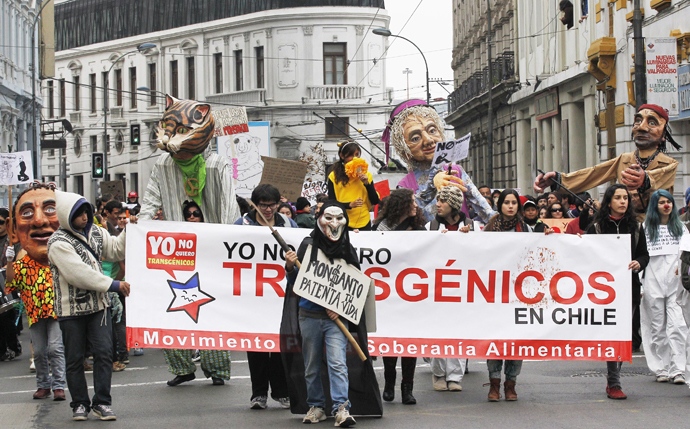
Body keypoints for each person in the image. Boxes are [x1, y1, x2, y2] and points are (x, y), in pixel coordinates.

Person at [281, 201, 381, 425]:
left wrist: (340, 308)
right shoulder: (307, 246)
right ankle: (316, 406)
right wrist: (289, 268)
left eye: (339, 218)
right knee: (312, 364)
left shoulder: (347, 248)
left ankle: (341, 408)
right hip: (309, 316)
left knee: (338, 363)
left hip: (336, 319)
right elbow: (297, 282)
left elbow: (355, 287)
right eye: (329, 218)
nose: (334, 224)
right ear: (319, 218)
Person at [47, 190, 129, 421]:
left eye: (87, 212)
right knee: (74, 359)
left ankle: (102, 402)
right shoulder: (57, 242)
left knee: (104, 354)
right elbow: (77, 274)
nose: (85, 217)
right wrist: (112, 284)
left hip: (99, 307)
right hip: (70, 310)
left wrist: (128, 229)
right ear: (66, 215)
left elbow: (116, 250)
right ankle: (79, 404)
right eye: (79, 214)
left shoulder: (97, 232)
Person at [535, 104, 680, 218]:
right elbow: (594, 174)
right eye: (638, 121)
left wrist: (645, 180)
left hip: (658, 230)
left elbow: (660, 177)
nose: (641, 127)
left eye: (652, 123)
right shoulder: (624, 159)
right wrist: (558, 180)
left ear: (663, 136)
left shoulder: (669, 164)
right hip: (626, 227)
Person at [383, 99, 495, 223]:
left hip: (462, 240)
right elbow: (402, 219)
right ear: (404, 150)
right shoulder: (405, 185)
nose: (429, 140)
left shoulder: (456, 171)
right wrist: (431, 186)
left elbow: (485, 210)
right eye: (415, 138)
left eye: (432, 130)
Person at [586, 184, 649, 400]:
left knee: (621, 336)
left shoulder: (637, 228)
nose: (623, 201)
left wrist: (638, 263)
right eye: (618, 198)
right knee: (611, 335)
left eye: (626, 198)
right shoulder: (597, 228)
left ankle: (613, 381)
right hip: (602, 291)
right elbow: (582, 254)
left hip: (628, 289)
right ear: (609, 202)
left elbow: (644, 255)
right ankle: (614, 382)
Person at [482, 189, 547, 401]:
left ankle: (511, 384)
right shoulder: (490, 228)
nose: (510, 206)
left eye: (514, 203)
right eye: (506, 202)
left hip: (520, 291)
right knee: (495, 338)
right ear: (499, 204)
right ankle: (494, 384)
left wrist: (548, 238)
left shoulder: (526, 229)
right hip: (495, 292)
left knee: (516, 340)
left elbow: (537, 255)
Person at [235, 184, 294, 410]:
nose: (268, 210)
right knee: (256, 347)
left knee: (280, 347)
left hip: (279, 295)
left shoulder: (288, 224)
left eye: (272, 205)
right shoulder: (242, 225)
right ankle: (258, 394)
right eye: (263, 206)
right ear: (254, 205)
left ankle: (281, 391)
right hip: (253, 296)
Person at [4, 185, 66, 400]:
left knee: (55, 349)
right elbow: (11, 284)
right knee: (39, 352)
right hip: (35, 313)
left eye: (50, 209)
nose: (39, 221)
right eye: (28, 213)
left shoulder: (63, 257)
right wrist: (10, 260)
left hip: (58, 310)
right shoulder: (24, 263)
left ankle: (59, 386)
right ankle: (43, 385)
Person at [137, 95, 240, 224]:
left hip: (211, 240)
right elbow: (150, 202)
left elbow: (230, 210)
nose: (166, 139)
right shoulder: (163, 164)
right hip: (178, 240)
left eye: (181, 130)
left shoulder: (216, 165)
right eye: (164, 126)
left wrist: (228, 239)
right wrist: (138, 226)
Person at [163, 201, 231, 387]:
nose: (192, 217)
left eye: (196, 213)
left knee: (213, 329)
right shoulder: (175, 237)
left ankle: (217, 372)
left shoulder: (215, 235)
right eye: (188, 214)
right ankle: (183, 371)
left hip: (210, 288)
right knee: (173, 328)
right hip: (181, 288)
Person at [374, 188, 425, 404]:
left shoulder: (419, 229)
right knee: (390, 340)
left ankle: (407, 388)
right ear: (401, 205)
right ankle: (389, 382)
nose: (415, 205)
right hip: (388, 293)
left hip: (412, 294)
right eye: (412, 202)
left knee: (409, 342)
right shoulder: (379, 228)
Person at [640, 190, 688, 384]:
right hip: (652, 280)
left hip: (675, 282)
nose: (666, 205)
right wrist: (641, 284)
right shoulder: (645, 228)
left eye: (668, 202)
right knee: (656, 326)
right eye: (661, 202)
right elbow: (640, 255)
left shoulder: (681, 228)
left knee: (678, 325)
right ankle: (661, 367)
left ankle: (678, 369)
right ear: (655, 206)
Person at [426, 185, 469, 391]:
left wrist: (469, 238)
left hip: (462, 288)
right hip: (437, 289)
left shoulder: (471, 226)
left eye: (442, 201)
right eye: (438, 200)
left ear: (453, 204)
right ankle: (438, 373)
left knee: (459, 331)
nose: (438, 204)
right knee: (437, 330)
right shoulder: (430, 227)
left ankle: (455, 376)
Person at [327, 141, 381, 231]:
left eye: (357, 155)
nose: (355, 158)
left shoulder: (367, 175)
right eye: (351, 155)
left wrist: (367, 184)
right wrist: (350, 205)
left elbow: (375, 201)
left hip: (363, 221)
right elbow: (331, 203)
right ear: (342, 156)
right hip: (342, 222)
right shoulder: (333, 176)